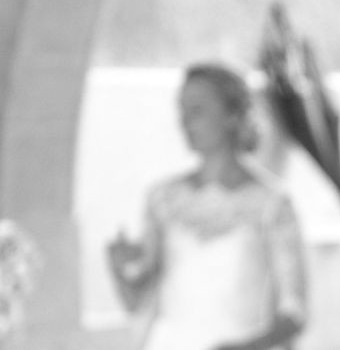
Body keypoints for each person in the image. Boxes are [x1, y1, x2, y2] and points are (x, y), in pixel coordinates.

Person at [107, 63, 307, 350]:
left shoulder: (272, 204)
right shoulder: (163, 198)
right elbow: (138, 304)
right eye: (181, 110)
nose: (184, 121)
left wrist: (247, 347)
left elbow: (294, 313)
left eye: (197, 110)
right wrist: (119, 270)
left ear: (232, 115)